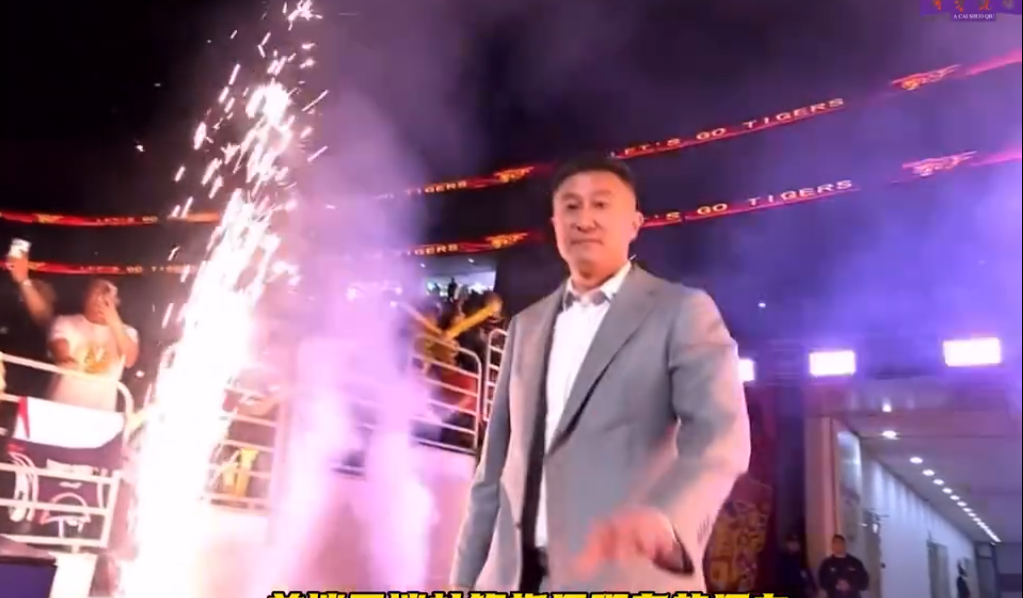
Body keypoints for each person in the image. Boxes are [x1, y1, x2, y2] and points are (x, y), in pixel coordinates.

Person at [450, 155, 751, 591]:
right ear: (555, 225)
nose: (584, 219)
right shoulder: (524, 327)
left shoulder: (681, 312)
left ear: (634, 224)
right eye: (571, 207)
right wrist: (462, 584)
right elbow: (492, 475)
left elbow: (721, 436)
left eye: (601, 204)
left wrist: (669, 518)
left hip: (627, 577)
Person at [48, 278, 139, 411]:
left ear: (117, 300)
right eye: (96, 292)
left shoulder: (128, 332)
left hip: (100, 413)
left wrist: (113, 320)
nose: (100, 300)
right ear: (85, 295)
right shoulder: (65, 321)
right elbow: (59, 346)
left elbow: (129, 360)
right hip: (59, 407)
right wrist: (64, 358)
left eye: (106, 294)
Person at [818, 534, 869, 598]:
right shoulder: (826, 564)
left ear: (845, 545)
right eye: (835, 543)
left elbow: (864, 583)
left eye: (840, 543)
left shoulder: (855, 563)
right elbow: (822, 583)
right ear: (832, 546)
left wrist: (850, 585)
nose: (838, 545)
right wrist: (836, 584)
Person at [778, 532, 816, 597]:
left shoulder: (801, 559)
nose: (794, 545)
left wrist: (812, 587)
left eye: (796, 543)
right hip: (788, 591)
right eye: (791, 543)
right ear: (787, 544)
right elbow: (780, 577)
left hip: (800, 592)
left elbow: (806, 574)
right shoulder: (783, 559)